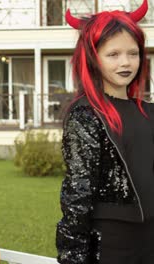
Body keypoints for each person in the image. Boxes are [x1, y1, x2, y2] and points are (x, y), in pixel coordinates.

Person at [56, 1, 154, 263]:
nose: (126, 62)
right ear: (93, 58)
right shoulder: (85, 114)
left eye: (133, 53)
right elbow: (78, 192)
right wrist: (73, 256)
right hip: (111, 243)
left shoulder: (149, 112)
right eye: (113, 54)